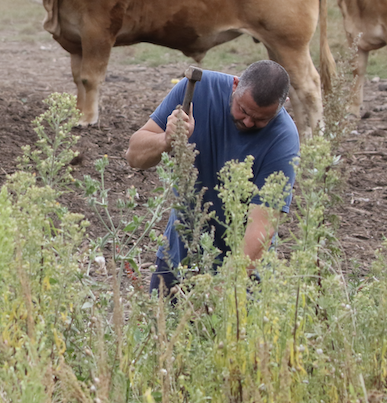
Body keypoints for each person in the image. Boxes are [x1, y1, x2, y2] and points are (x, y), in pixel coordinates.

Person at [125, 60, 299, 294]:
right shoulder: (197, 90)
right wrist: (165, 140)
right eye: (244, 111)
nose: (248, 122)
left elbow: (261, 228)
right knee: (160, 328)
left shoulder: (284, 139)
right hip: (178, 256)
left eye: (260, 120)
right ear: (235, 85)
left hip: (242, 271)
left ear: (282, 105)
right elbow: (134, 156)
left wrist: (217, 292)